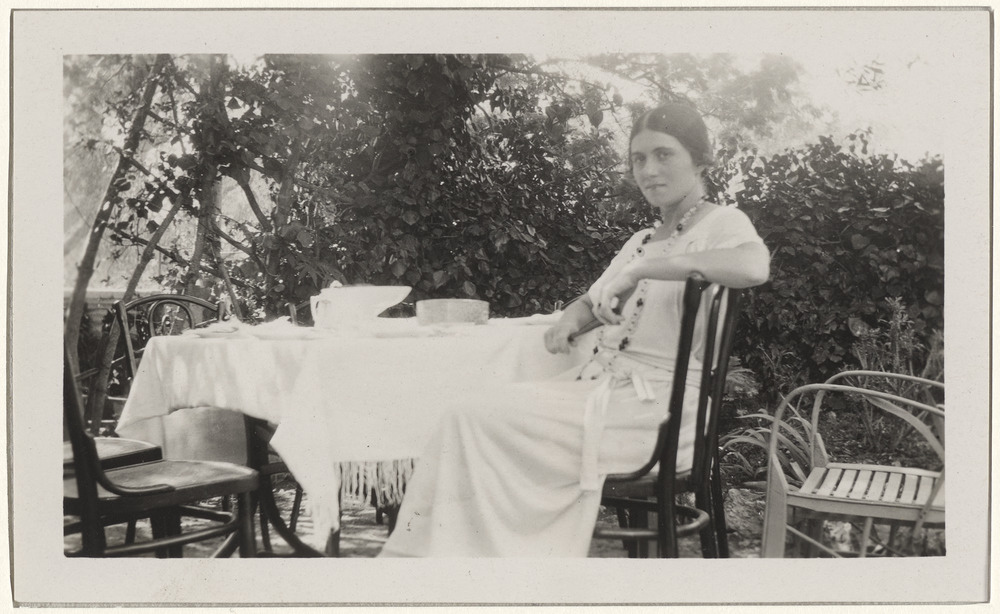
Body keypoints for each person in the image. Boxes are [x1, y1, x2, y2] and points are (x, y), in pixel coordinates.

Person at [379, 103, 770, 557]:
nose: (648, 170)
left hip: (659, 416)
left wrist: (644, 270)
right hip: (603, 392)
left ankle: (480, 565)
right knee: (467, 412)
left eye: (664, 155)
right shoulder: (642, 241)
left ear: (700, 160)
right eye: (639, 158)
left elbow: (753, 266)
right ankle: (471, 565)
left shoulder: (723, 223)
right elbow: (591, 301)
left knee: (473, 419)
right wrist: (571, 320)